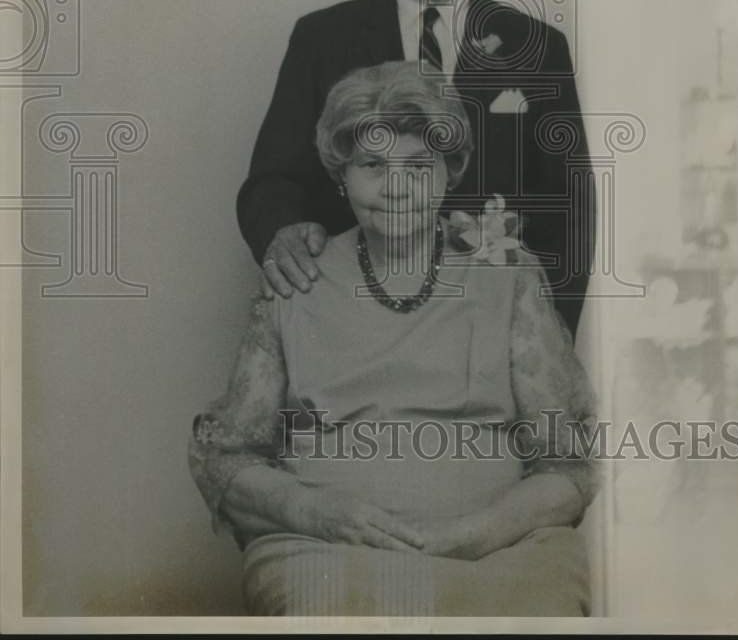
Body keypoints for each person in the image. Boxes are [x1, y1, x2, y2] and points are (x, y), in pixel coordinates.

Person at [191, 62, 599, 616]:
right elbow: (225, 456)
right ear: (341, 174)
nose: (396, 187)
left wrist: (478, 531)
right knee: (325, 604)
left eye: (418, 164)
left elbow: (570, 461)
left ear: (450, 171)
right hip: (326, 548)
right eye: (372, 164)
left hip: (500, 548)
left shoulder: (505, 271)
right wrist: (315, 514)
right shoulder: (297, 277)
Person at [237, 0, 594, 339]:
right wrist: (281, 233)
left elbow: (568, 211)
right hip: (350, 328)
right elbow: (271, 182)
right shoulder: (321, 39)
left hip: (488, 334)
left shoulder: (537, 49)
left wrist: (545, 340)